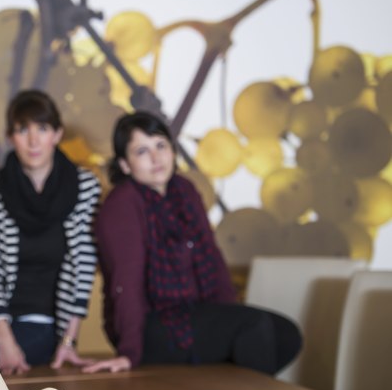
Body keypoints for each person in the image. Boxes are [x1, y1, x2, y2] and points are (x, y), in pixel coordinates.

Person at [84, 112, 301, 374]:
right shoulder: (122, 204)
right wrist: (130, 351)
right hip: (150, 325)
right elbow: (125, 283)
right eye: (142, 151)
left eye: (161, 146)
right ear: (125, 165)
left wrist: (228, 319)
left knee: (285, 335)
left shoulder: (184, 191)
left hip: (194, 311)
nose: (156, 158)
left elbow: (212, 259)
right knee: (252, 328)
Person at [0, 89, 101, 375]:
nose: (33, 140)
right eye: (22, 129)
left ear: (58, 134)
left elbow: (83, 269)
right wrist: (4, 340)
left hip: (44, 324)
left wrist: (69, 341)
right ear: (10, 137)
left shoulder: (85, 186)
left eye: (43, 128)